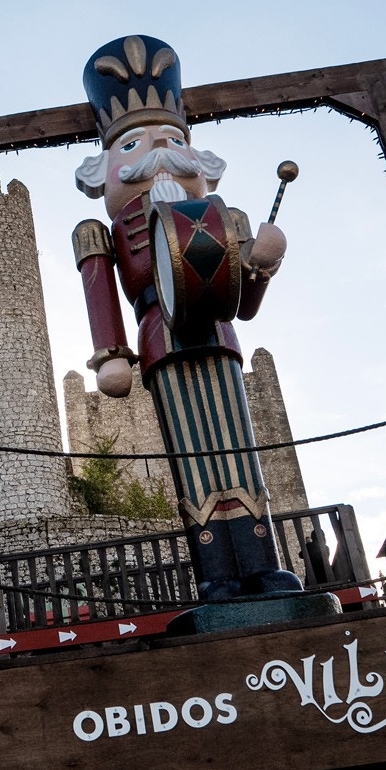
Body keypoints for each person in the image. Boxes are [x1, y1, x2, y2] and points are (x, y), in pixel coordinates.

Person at [71, 35, 302, 602]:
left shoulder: (228, 219)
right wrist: (111, 355)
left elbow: (243, 306)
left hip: (219, 338)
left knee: (239, 452)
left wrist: (262, 264)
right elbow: (103, 295)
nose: (160, 151)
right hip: (159, 340)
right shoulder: (99, 233)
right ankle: (216, 575)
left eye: (173, 138)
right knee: (193, 459)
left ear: (195, 154)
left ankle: (261, 564)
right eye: (134, 141)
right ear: (104, 166)